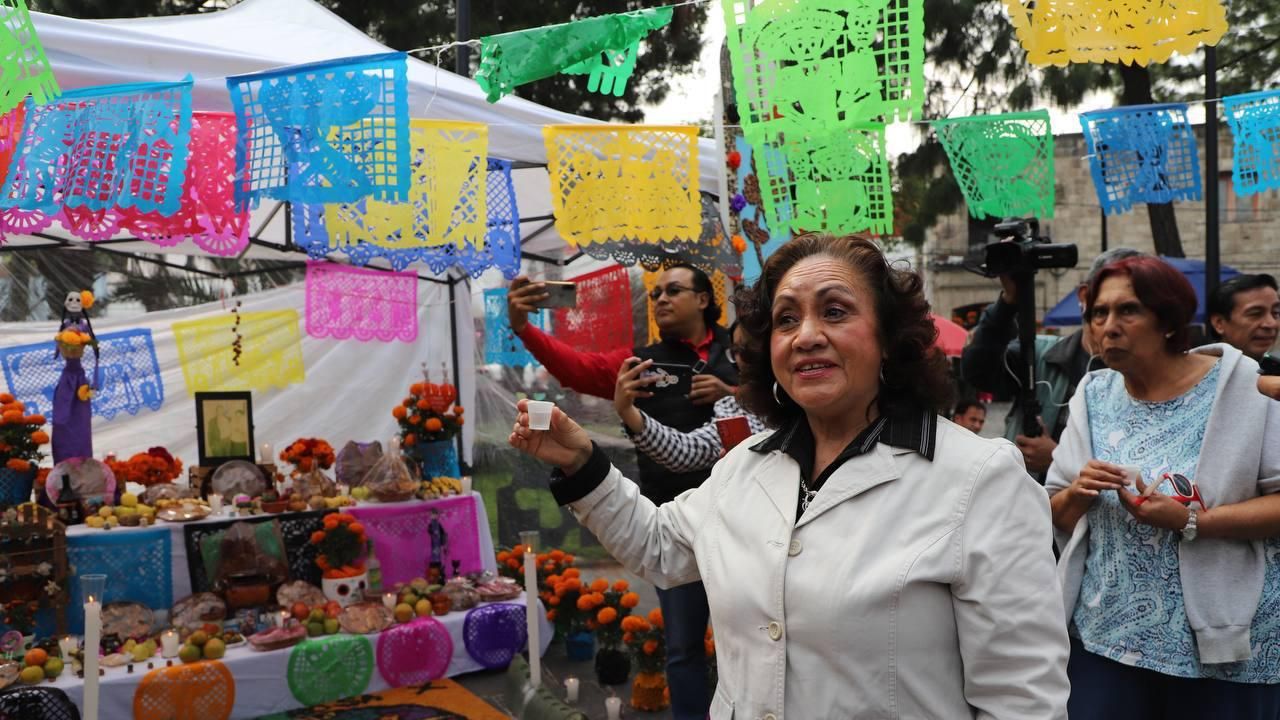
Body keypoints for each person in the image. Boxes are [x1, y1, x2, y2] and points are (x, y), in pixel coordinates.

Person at [510, 234, 1070, 719]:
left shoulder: (979, 479)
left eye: (834, 311)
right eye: (785, 319)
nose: (805, 336)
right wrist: (582, 462)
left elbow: (1022, 698)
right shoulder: (744, 465)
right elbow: (660, 547)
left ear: (888, 339)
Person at [1047, 257, 1280, 718]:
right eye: (1099, 313)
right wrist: (1078, 492)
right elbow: (1055, 510)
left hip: (1224, 650)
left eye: (1127, 311)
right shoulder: (1093, 394)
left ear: (1169, 320)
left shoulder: (1246, 391)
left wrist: (1193, 520)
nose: (1109, 327)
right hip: (1106, 640)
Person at [507, 262, 737, 718]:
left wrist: (735, 390)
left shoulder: (746, 350)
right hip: (674, 527)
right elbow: (576, 369)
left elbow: (785, 393)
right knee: (684, 649)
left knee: (753, 644)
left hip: (746, 521)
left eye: (673, 290)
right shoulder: (641, 362)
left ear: (705, 299)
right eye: (655, 294)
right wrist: (522, 328)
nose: (661, 300)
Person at [961, 247, 1145, 475]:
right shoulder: (1039, 355)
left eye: (1131, 308)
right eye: (1104, 306)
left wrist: (1057, 460)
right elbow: (978, 372)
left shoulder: (1148, 375)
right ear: (1085, 297)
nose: (1114, 324)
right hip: (1024, 504)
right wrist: (1009, 302)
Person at [614, 322, 768, 473]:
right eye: (736, 351)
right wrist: (627, 411)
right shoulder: (733, 407)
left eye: (750, 347)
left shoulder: (789, 399)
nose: (742, 359)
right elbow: (685, 451)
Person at [1207, 273, 1279, 361]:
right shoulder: (1198, 372)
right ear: (1219, 323)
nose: (1271, 323)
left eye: (1275, 313)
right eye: (1255, 313)